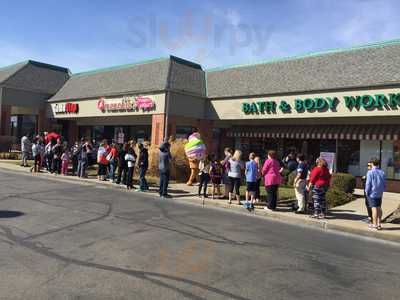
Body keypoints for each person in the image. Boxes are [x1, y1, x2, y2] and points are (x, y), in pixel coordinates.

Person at [365, 158, 386, 230]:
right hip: (380, 192)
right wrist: (383, 190)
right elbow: (384, 183)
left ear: (372, 163)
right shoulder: (382, 172)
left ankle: (374, 224)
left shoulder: (370, 172)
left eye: (370, 163)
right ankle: (379, 223)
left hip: (372, 193)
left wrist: (366, 192)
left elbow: (368, 184)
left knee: (374, 208)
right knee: (379, 208)